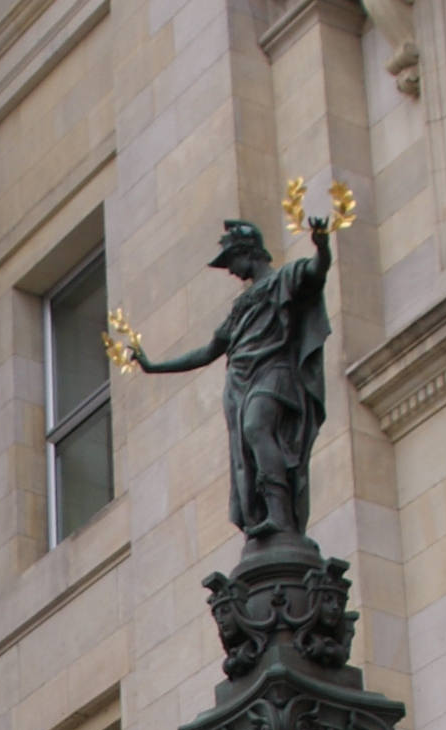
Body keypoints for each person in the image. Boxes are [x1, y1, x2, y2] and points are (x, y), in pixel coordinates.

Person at [134, 216, 333, 540]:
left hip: (274, 371)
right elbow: (208, 351)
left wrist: (322, 246)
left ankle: (280, 515)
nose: (230, 270)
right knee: (247, 453)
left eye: (231, 261)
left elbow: (316, 271)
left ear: (249, 252)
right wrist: (154, 366)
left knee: (257, 427)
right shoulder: (241, 305)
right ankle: (266, 513)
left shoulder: (284, 279)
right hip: (239, 381)